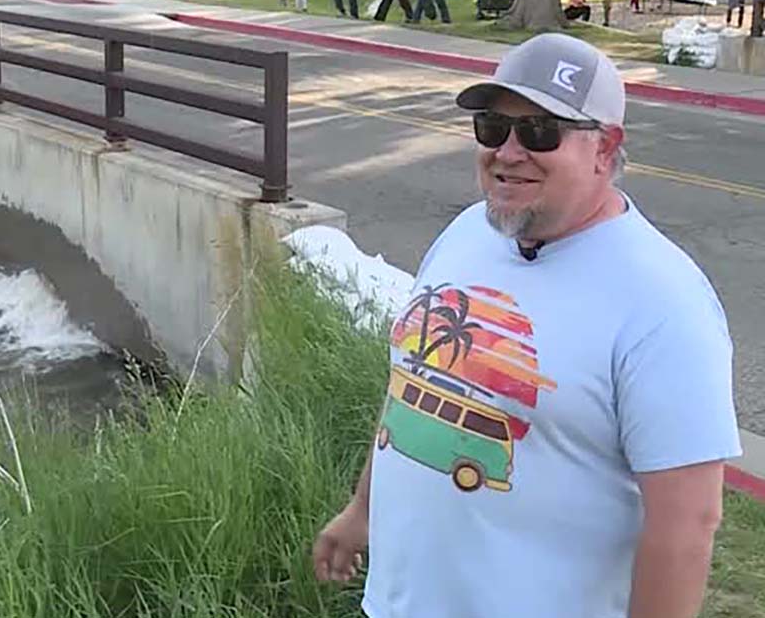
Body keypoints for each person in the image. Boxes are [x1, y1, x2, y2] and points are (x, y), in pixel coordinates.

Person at [312, 33, 741, 618]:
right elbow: (414, 384)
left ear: (604, 147)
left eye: (541, 131)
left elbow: (687, 526)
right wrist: (363, 511)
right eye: (493, 127)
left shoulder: (664, 301)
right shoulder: (469, 232)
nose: (509, 151)